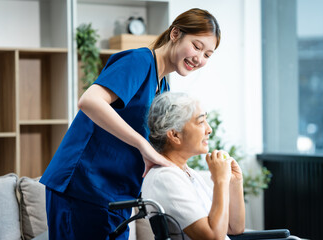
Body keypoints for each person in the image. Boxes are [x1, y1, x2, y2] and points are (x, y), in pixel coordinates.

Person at [39, 8, 221, 240]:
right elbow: (89, 101)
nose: (199, 58)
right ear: (175, 34)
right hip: (83, 188)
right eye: (196, 46)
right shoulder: (139, 61)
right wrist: (142, 145)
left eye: (208, 54)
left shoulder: (163, 85)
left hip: (117, 195)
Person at [142, 92, 245, 240]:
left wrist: (234, 182)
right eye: (201, 122)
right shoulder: (165, 178)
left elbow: (234, 228)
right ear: (175, 135)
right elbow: (213, 237)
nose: (209, 129)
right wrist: (220, 180)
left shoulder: (186, 173)